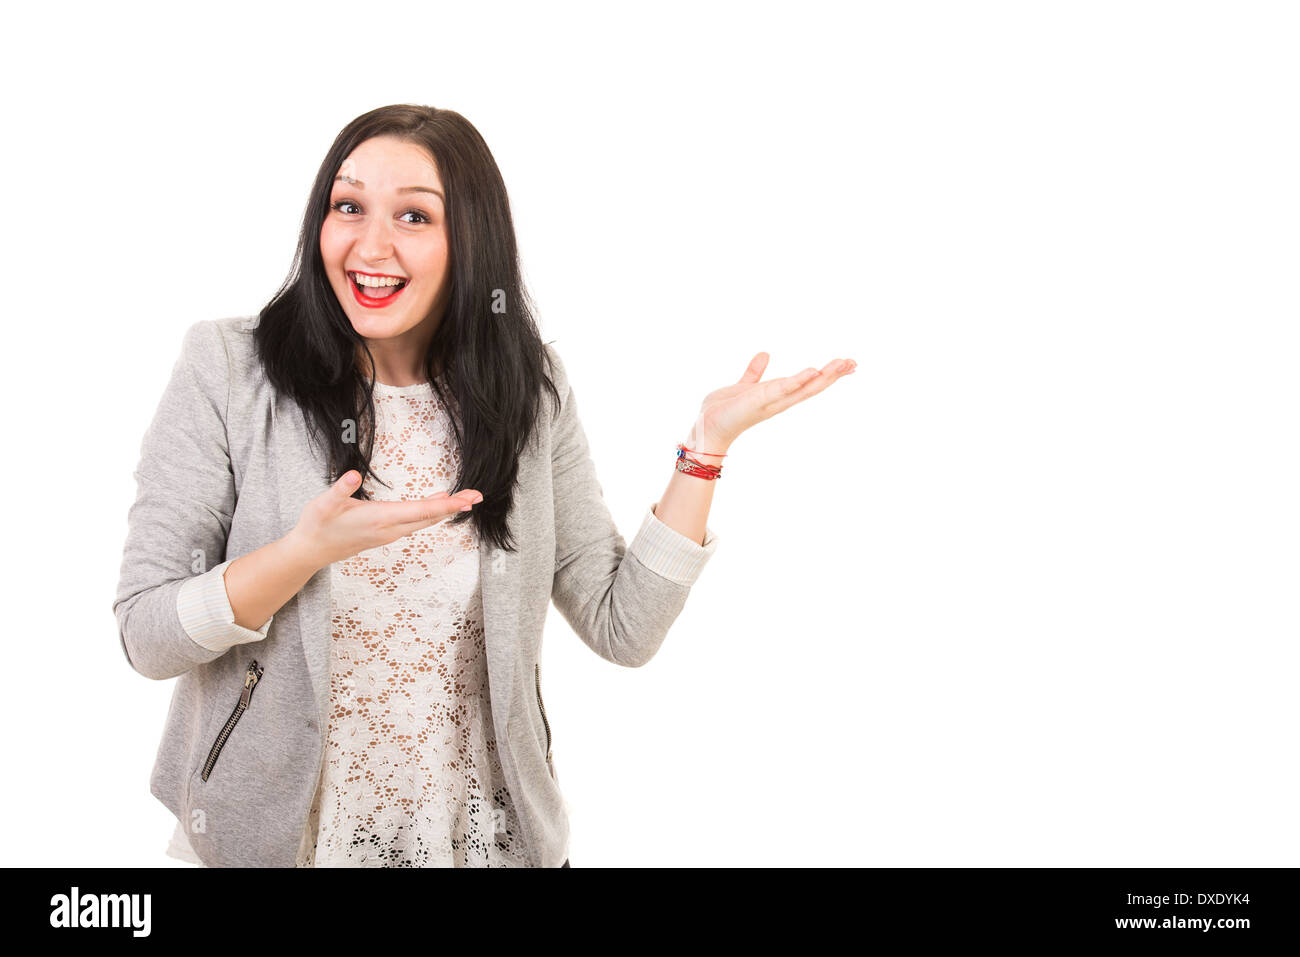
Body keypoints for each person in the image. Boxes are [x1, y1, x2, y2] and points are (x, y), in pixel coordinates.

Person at [113, 103, 856, 868]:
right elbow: (147, 634)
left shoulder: (526, 391)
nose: (371, 244)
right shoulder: (230, 371)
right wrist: (300, 554)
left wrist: (704, 449)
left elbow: (621, 625)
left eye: (413, 216)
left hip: (487, 844)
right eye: (348, 206)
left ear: (472, 239)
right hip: (278, 845)